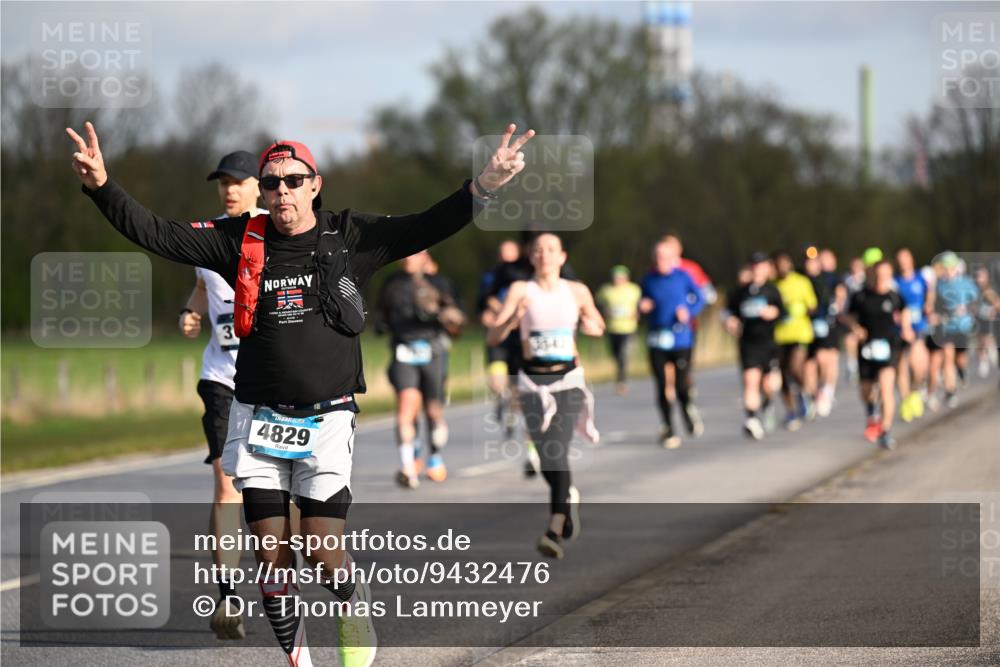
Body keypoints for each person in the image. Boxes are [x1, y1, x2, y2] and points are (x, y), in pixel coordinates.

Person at [69, 120, 533, 667]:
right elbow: (157, 233)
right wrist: (102, 186)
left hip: (327, 419)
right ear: (262, 193)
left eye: (293, 180)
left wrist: (484, 186)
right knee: (271, 557)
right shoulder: (240, 240)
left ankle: (350, 598)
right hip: (257, 416)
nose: (281, 191)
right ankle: (299, 661)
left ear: (316, 184)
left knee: (321, 553)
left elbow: (427, 225)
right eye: (271, 183)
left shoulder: (349, 235)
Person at [177, 150, 267, 640]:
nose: (229, 190)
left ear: (258, 186)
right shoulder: (205, 237)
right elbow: (201, 288)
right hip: (222, 380)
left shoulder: (278, 235)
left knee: (277, 492)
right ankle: (229, 593)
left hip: (272, 384)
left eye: (238, 182)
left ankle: (277, 580)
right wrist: (190, 314)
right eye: (223, 183)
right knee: (226, 485)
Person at [486, 232, 604, 559]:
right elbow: (495, 335)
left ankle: (554, 527)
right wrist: (513, 318)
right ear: (531, 257)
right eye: (538, 249)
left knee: (557, 450)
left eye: (551, 249)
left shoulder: (576, 291)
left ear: (562, 256)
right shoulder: (521, 290)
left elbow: (598, 323)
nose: (544, 254)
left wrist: (591, 325)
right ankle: (568, 499)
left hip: (568, 380)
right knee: (546, 456)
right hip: (532, 382)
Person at [485, 233, 577, 477]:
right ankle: (505, 401)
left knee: (526, 402)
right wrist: (504, 312)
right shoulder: (507, 272)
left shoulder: (556, 272)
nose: (541, 253)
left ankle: (531, 453)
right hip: (505, 338)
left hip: (528, 345)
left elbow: (571, 296)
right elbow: (487, 298)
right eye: (535, 247)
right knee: (500, 386)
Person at [375, 250, 464, 488]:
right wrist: (382, 324)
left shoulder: (438, 283)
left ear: (425, 258)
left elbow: (457, 319)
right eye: (406, 255)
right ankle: (408, 467)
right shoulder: (391, 284)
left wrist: (444, 314)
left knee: (433, 410)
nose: (407, 258)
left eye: (414, 255)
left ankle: (434, 457)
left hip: (433, 350)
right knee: (406, 406)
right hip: (403, 350)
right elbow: (380, 315)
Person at [840, 259, 913, 449]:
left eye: (886, 275)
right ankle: (872, 412)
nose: (882, 279)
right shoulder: (861, 296)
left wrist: (906, 327)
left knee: (886, 388)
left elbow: (905, 311)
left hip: (889, 347)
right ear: (872, 274)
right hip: (866, 349)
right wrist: (855, 328)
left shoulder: (894, 296)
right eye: (879, 274)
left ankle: (886, 430)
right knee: (866, 391)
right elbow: (846, 315)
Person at [639, 239, 706, 448]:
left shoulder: (682, 276)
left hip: (681, 338)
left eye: (664, 257)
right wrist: (643, 307)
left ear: (672, 259)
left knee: (680, 385)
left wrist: (689, 312)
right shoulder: (648, 280)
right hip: (657, 339)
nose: (660, 261)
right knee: (661, 385)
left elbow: (700, 298)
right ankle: (668, 427)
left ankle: (687, 409)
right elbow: (641, 303)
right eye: (657, 257)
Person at [725, 252, 785, 439]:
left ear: (767, 269)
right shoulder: (740, 293)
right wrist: (730, 322)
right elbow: (727, 313)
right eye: (754, 266)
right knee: (750, 382)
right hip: (748, 344)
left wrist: (774, 312)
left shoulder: (772, 291)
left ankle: (767, 403)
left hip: (769, 343)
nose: (757, 270)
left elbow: (784, 313)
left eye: (761, 266)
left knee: (769, 385)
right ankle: (751, 420)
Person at [478, 240, 521, 447]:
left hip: (519, 339)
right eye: (503, 255)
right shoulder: (490, 277)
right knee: (497, 383)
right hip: (498, 335)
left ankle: (511, 416)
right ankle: (501, 397)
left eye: (510, 256)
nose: (506, 260)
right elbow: (483, 301)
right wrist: (492, 312)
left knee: (516, 386)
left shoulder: (524, 277)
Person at [772, 250, 817, 431]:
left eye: (784, 264)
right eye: (778, 265)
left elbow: (812, 306)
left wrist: (800, 310)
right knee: (783, 374)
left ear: (789, 264)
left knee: (795, 367)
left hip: (800, 333)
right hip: (780, 335)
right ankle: (791, 411)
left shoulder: (802, 282)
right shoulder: (772, 285)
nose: (782, 268)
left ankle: (804, 395)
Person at [931, 251, 979, 408]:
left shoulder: (966, 282)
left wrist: (967, 309)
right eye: (944, 268)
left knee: (961, 359)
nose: (946, 271)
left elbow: (975, 300)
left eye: (949, 267)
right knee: (948, 357)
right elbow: (935, 305)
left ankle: (963, 372)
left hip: (963, 327)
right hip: (947, 327)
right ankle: (950, 391)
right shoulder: (939, 285)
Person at [893, 247, 930, 422]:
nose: (903, 262)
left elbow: (929, 297)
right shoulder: (895, 282)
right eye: (900, 259)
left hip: (918, 327)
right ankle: (906, 400)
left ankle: (914, 392)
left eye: (905, 258)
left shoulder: (921, 279)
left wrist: (929, 309)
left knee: (920, 366)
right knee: (901, 366)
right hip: (900, 330)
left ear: (911, 260)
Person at [595, 265, 642, 395]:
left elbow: (640, 306)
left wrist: (637, 313)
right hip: (612, 327)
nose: (618, 280)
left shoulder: (634, 289)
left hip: (629, 328)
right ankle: (620, 375)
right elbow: (597, 304)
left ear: (626, 278)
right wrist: (604, 312)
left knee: (624, 354)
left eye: (621, 277)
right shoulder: (606, 290)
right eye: (616, 277)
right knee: (615, 355)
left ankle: (622, 380)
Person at [841, 256, 867, 382]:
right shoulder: (847, 280)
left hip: (865, 312)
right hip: (851, 313)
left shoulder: (866, 279)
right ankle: (852, 365)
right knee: (850, 338)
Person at [972, 265, 1000, 378]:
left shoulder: (992, 289)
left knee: (988, 336)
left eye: (982, 276)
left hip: (992, 320)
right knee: (981, 339)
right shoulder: (973, 290)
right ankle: (983, 358)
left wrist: (993, 309)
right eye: (978, 276)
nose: (980, 279)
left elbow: (998, 304)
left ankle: (990, 349)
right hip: (980, 319)